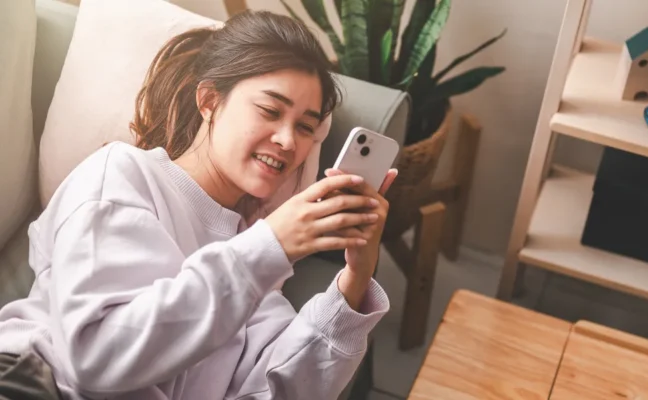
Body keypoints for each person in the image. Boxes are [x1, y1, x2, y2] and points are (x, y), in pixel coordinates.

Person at [0, 10, 397, 400]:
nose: (289, 141)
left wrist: (355, 280)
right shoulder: (122, 174)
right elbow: (95, 356)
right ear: (209, 100)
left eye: (305, 127)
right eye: (270, 111)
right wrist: (270, 247)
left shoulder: (256, 259)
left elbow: (278, 388)